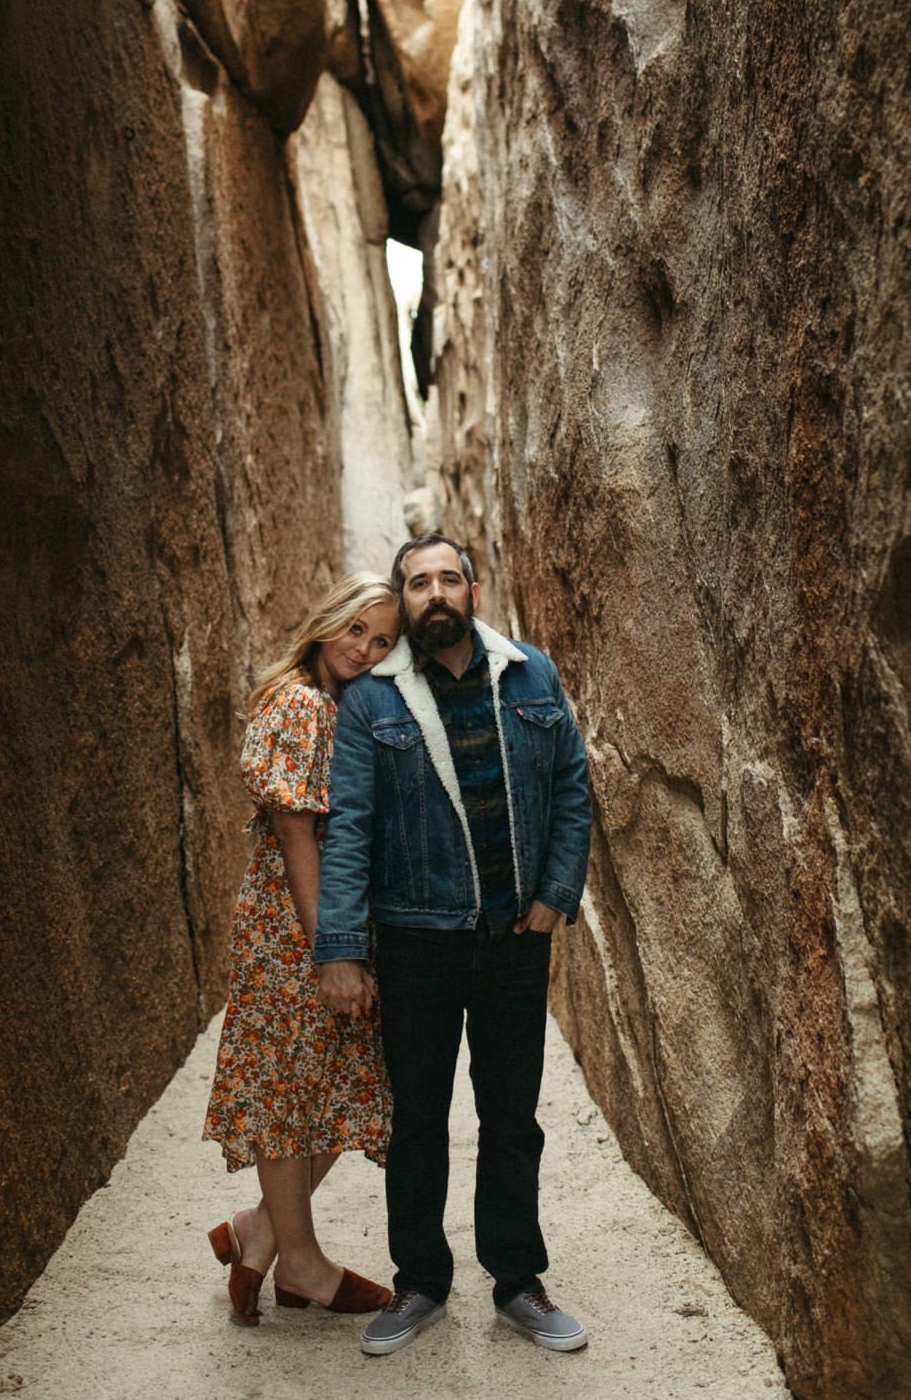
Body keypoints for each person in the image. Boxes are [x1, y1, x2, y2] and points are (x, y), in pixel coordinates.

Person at [315, 534, 594, 1355]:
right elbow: (352, 826)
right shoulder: (372, 701)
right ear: (403, 601)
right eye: (416, 582)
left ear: (474, 587)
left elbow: (573, 785)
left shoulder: (532, 674)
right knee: (419, 1120)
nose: (434, 592)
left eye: (447, 577)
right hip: (417, 942)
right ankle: (421, 1283)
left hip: (515, 942)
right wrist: (341, 947)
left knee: (512, 1117)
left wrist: (554, 896)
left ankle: (517, 1282)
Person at [202, 573, 401, 1325]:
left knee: (342, 1089)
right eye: (357, 630)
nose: (366, 648)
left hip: (308, 921)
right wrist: (330, 952)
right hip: (296, 928)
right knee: (291, 1098)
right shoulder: (303, 705)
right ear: (326, 624)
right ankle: (304, 1264)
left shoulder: (327, 703)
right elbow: (296, 836)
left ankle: (260, 1230)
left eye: (382, 640)